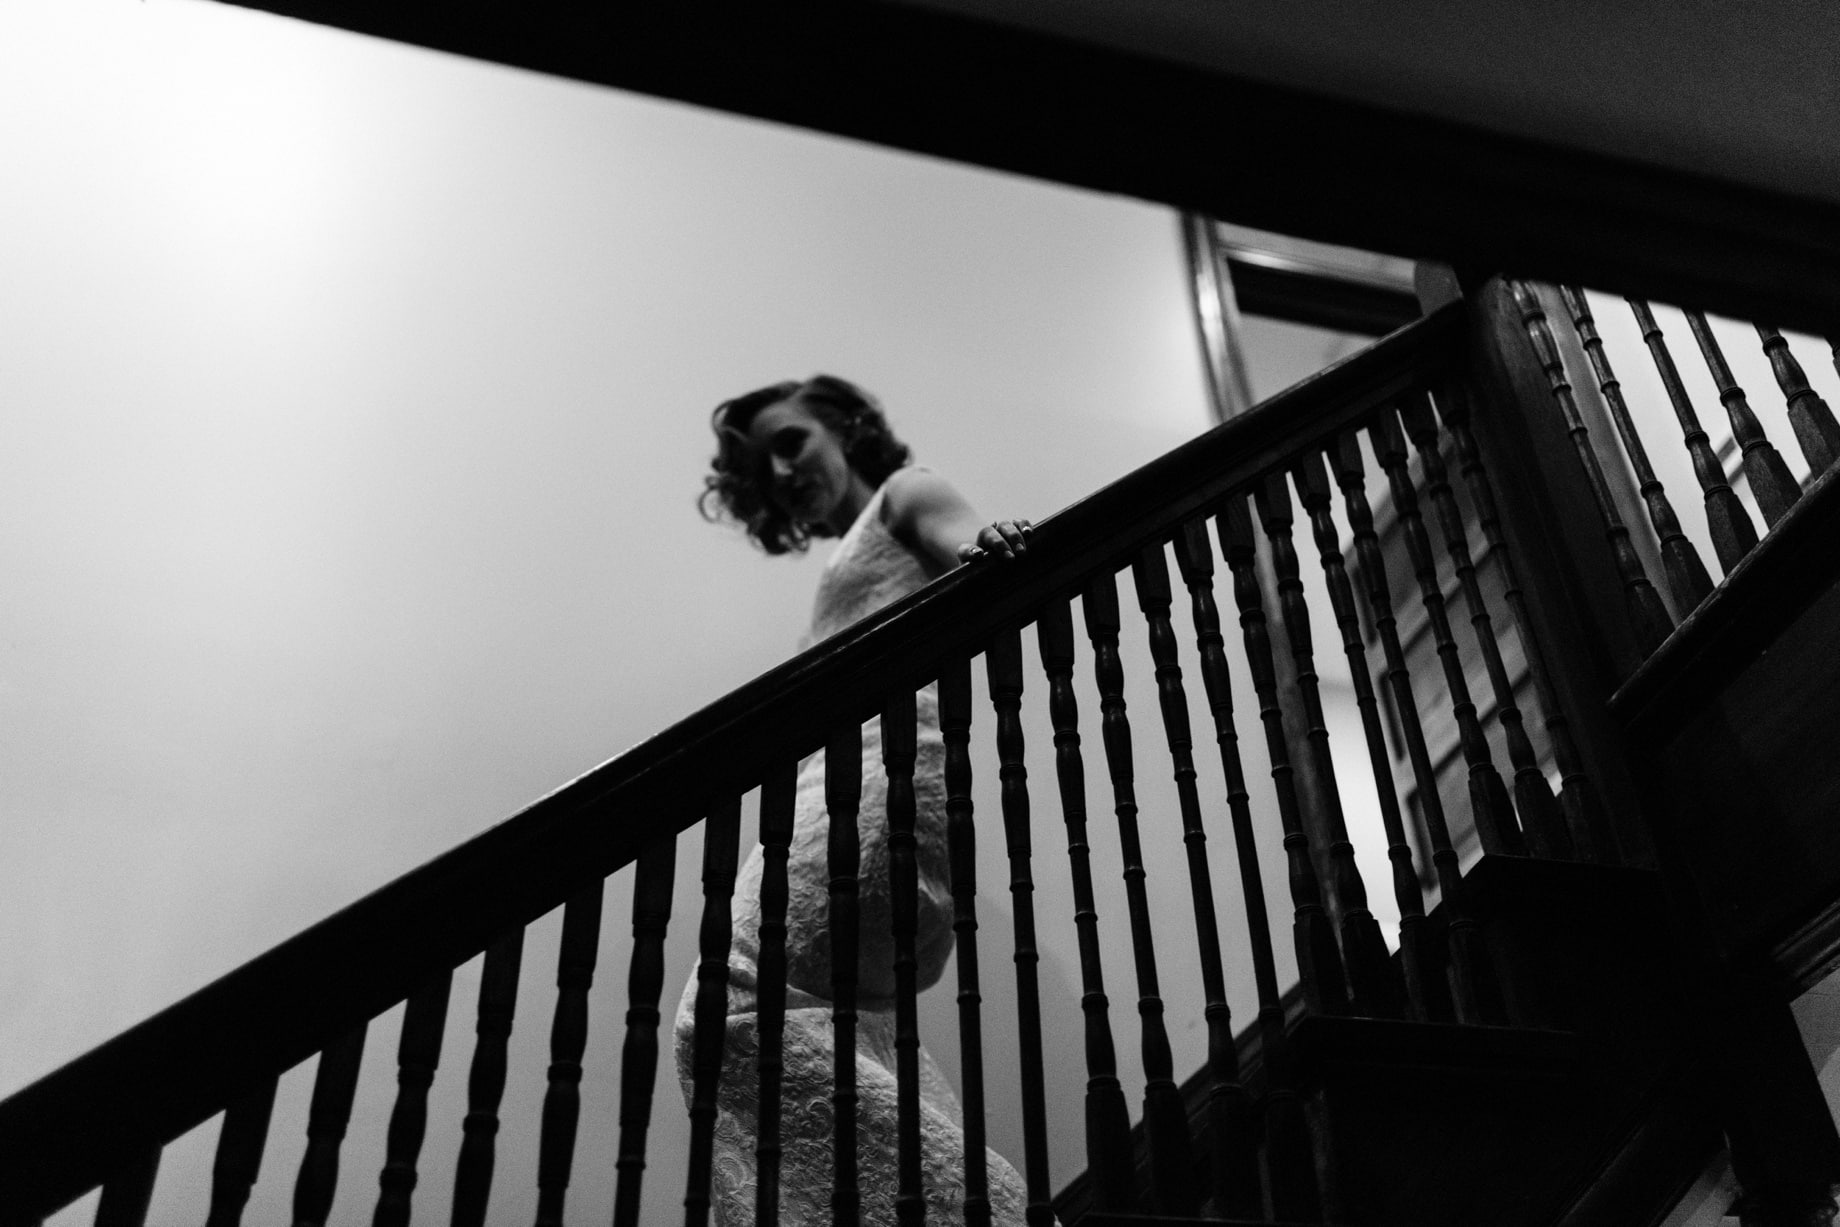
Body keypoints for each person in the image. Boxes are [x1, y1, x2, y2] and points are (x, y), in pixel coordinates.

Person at [677, 375, 1033, 1226]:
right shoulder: (844, 566)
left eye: (790, 441)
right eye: (762, 465)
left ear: (844, 427)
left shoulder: (905, 494)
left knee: (721, 1012)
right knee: (834, 1037)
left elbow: (979, 549)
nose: (780, 470)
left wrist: (998, 544)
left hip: (876, 793)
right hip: (844, 800)